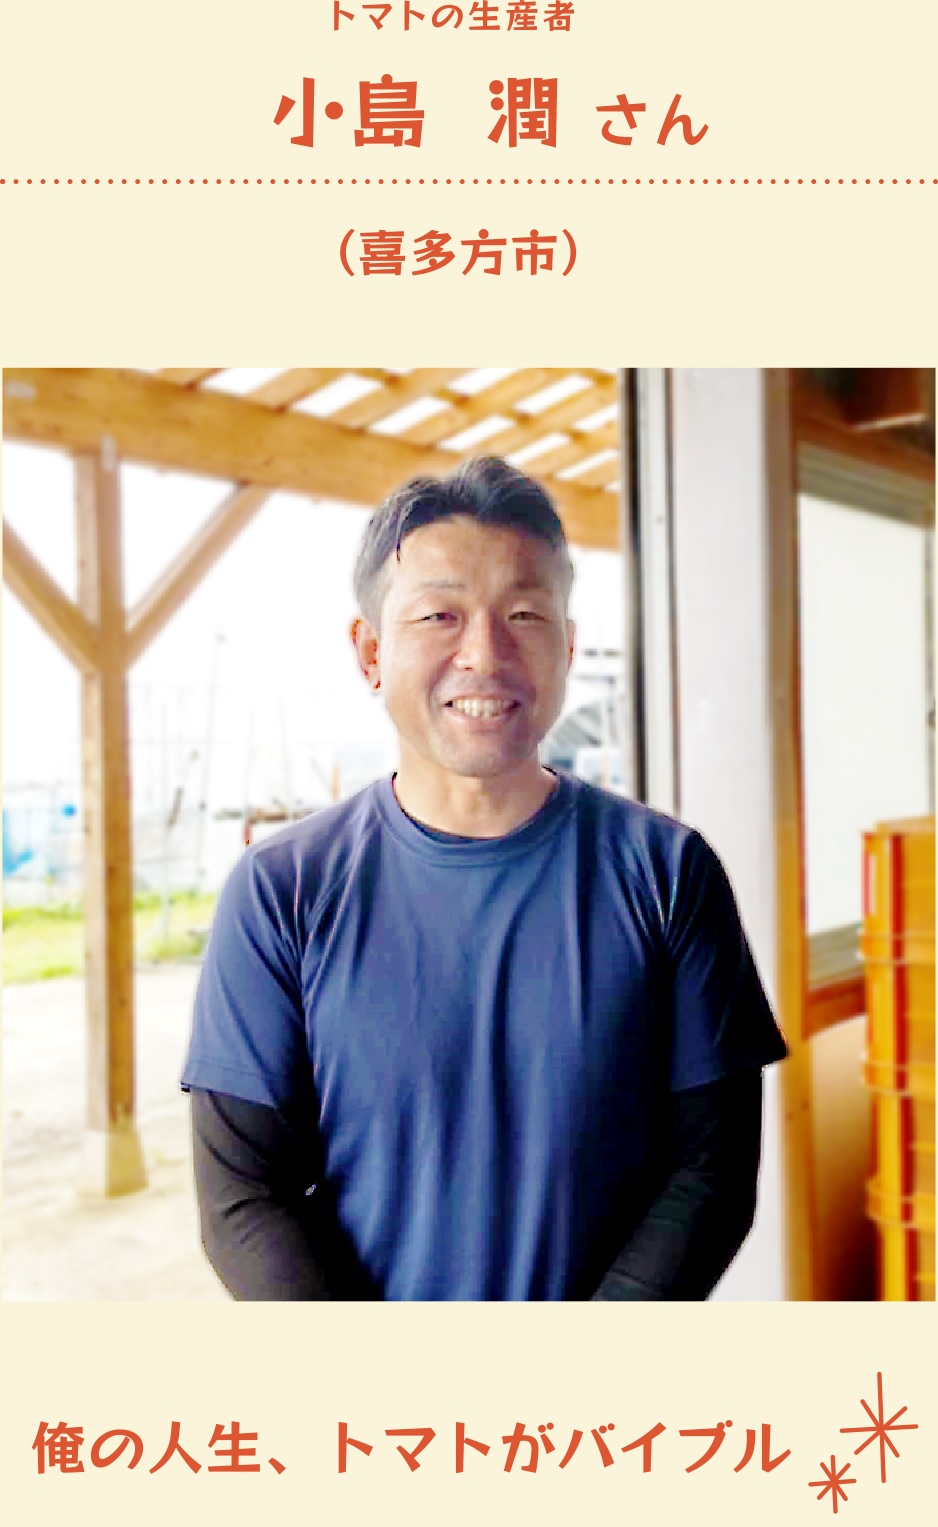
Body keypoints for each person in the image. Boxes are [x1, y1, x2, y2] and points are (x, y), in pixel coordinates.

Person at [182, 456, 787, 1301]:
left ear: (566, 646)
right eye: (440, 614)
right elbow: (245, 1196)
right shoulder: (280, 891)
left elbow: (710, 1173)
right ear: (371, 652)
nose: (485, 652)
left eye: (525, 614)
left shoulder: (668, 874)